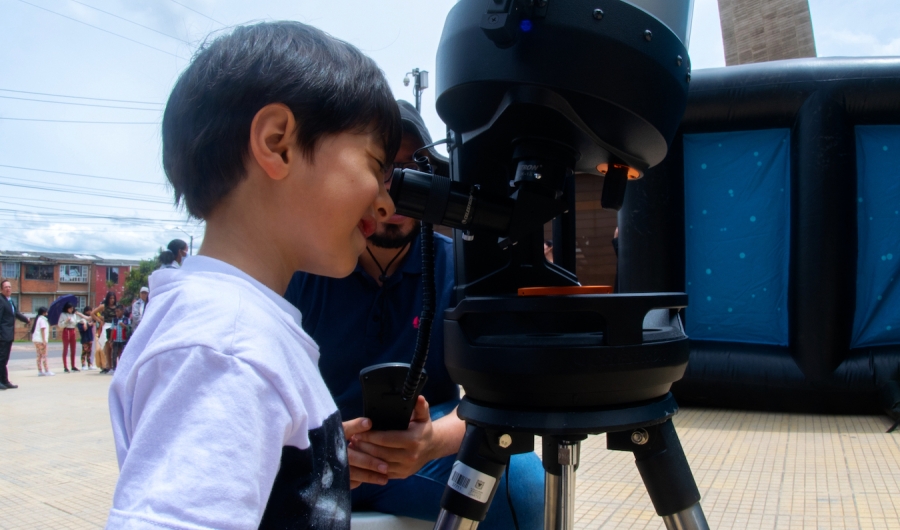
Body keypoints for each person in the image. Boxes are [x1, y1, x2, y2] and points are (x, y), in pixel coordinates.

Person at [106, 21, 400, 530]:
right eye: (375, 164)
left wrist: (312, 466)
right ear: (278, 142)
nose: (385, 199)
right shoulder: (228, 346)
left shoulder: (235, 331)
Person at [284, 101, 545, 528]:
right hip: (319, 454)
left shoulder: (456, 267)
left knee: (524, 480)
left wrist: (430, 442)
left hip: (422, 456)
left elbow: (503, 399)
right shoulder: (306, 267)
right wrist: (322, 448)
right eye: (384, 167)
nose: (400, 187)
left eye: (416, 167)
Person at [0, 279, 29, 389]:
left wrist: (25, 319)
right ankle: (1, 381)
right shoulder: (1, 301)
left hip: (9, 334)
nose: (8, 289)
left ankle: (5, 381)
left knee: (5, 359)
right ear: (1, 289)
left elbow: (15, 313)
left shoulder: (10, 301)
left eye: (9, 287)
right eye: (6, 287)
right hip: (3, 335)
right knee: (1, 358)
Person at [57, 302, 88, 373]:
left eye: (72, 308)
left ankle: (73, 366)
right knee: (65, 349)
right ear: (67, 308)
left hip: (73, 331)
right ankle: (65, 366)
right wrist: (66, 321)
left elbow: (80, 320)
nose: (71, 310)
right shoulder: (63, 314)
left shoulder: (74, 315)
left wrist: (84, 323)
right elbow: (60, 325)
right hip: (66, 331)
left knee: (73, 349)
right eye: (70, 308)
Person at [91, 291, 117, 374]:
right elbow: (92, 313)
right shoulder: (104, 306)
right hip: (107, 326)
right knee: (107, 348)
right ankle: (108, 366)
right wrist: (100, 320)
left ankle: (114, 366)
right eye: (110, 298)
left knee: (114, 348)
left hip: (115, 327)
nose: (112, 300)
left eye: (113, 298)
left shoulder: (117, 307)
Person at [108, 305, 130, 374]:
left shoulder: (126, 319)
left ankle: (122, 368)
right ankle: (114, 368)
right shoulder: (114, 320)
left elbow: (129, 329)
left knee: (122, 354)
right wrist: (111, 340)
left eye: (118, 311)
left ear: (122, 311)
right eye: (116, 312)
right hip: (116, 340)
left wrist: (124, 326)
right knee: (114, 354)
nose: (117, 313)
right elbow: (112, 329)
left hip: (123, 340)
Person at [32, 307, 53, 376]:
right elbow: (43, 330)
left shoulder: (38, 319)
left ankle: (40, 371)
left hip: (36, 340)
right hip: (41, 340)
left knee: (39, 356)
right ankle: (46, 370)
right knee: (44, 356)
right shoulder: (43, 320)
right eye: (46, 312)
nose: (47, 313)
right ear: (44, 313)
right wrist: (44, 341)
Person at [77, 306, 95, 370]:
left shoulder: (90, 319)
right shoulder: (81, 321)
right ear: (86, 311)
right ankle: (83, 364)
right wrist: (87, 325)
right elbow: (82, 329)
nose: (90, 312)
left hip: (90, 337)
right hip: (84, 338)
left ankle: (90, 364)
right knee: (84, 351)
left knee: (90, 352)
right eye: (89, 311)